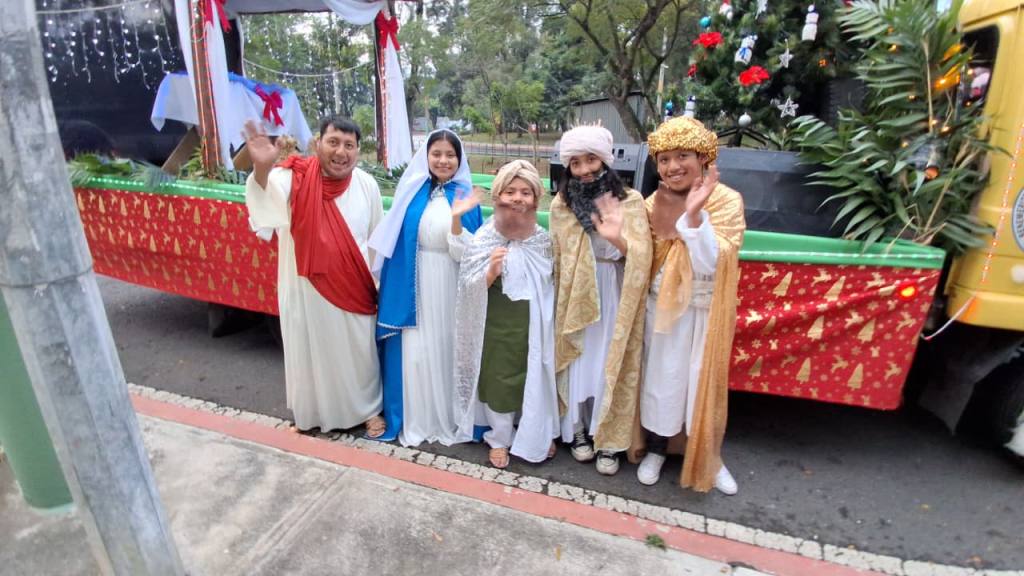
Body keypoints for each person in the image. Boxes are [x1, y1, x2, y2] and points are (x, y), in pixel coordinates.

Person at [627, 116, 746, 495]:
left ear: (703, 157)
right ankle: (657, 450)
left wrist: (694, 216)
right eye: (663, 159)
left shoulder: (726, 201)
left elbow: (718, 260)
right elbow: (640, 257)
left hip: (705, 310)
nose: (672, 166)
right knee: (662, 382)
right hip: (661, 311)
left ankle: (709, 457)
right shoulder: (650, 204)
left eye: (682, 156)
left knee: (701, 384)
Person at [243, 116, 385, 436]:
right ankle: (313, 414)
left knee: (360, 354)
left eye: (349, 145)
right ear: (317, 144)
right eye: (333, 142)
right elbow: (265, 198)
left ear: (358, 151)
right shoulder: (293, 177)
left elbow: (376, 238)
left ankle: (368, 410)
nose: (341, 152)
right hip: (305, 288)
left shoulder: (367, 185)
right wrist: (263, 168)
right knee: (310, 354)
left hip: (355, 287)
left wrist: (377, 282)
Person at [368, 129, 483, 446]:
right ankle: (417, 416)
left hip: (450, 280)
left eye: (450, 154)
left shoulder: (465, 196)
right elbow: (396, 241)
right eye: (437, 154)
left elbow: (470, 254)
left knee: (449, 346)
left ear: (459, 159)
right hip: (415, 282)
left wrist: (458, 218)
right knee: (417, 350)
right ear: (426, 156)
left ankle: (451, 416)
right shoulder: (411, 193)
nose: (443, 160)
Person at [550, 125, 653, 476]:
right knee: (580, 359)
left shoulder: (632, 201)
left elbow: (642, 258)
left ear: (605, 160)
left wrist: (617, 238)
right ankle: (578, 430)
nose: (584, 169)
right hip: (576, 293)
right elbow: (557, 256)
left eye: (591, 159)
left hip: (613, 291)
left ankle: (607, 439)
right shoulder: (561, 205)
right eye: (575, 163)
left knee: (610, 361)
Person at [451, 160, 559, 469]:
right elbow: (468, 286)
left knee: (533, 377)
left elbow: (551, 282)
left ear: (535, 200)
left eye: (525, 192)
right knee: (500, 380)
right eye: (510, 191)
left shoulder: (542, 239)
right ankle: (499, 438)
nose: (518, 198)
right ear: (498, 196)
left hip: (533, 325)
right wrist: (491, 272)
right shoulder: (487, 236)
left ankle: (535, 431)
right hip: (497, 326)